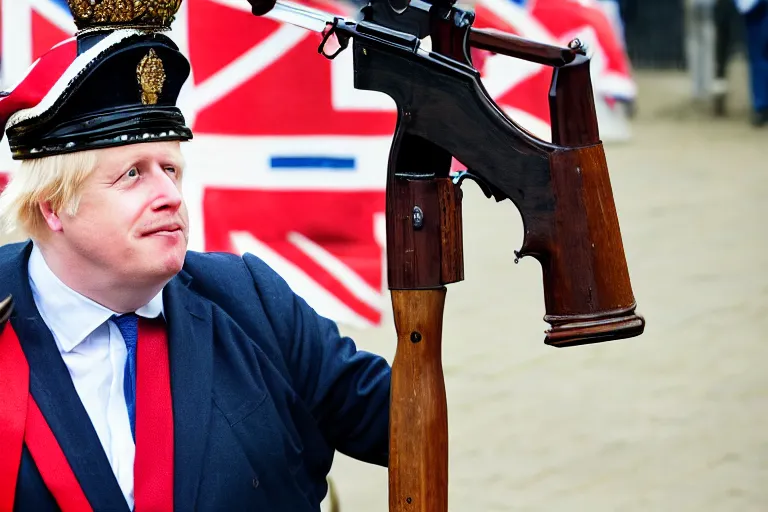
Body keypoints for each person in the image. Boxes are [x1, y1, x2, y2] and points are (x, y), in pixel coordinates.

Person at [0, 1, 390, 510]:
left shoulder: (249, 299)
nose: (169, 195)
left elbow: (407, 423)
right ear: (53, 207)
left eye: (171, 168)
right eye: (132, 174)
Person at [735, 0, 768, 126]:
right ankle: (761, 106)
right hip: (755, 10)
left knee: (759, 58)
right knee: (758, 57)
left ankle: (761, 106)